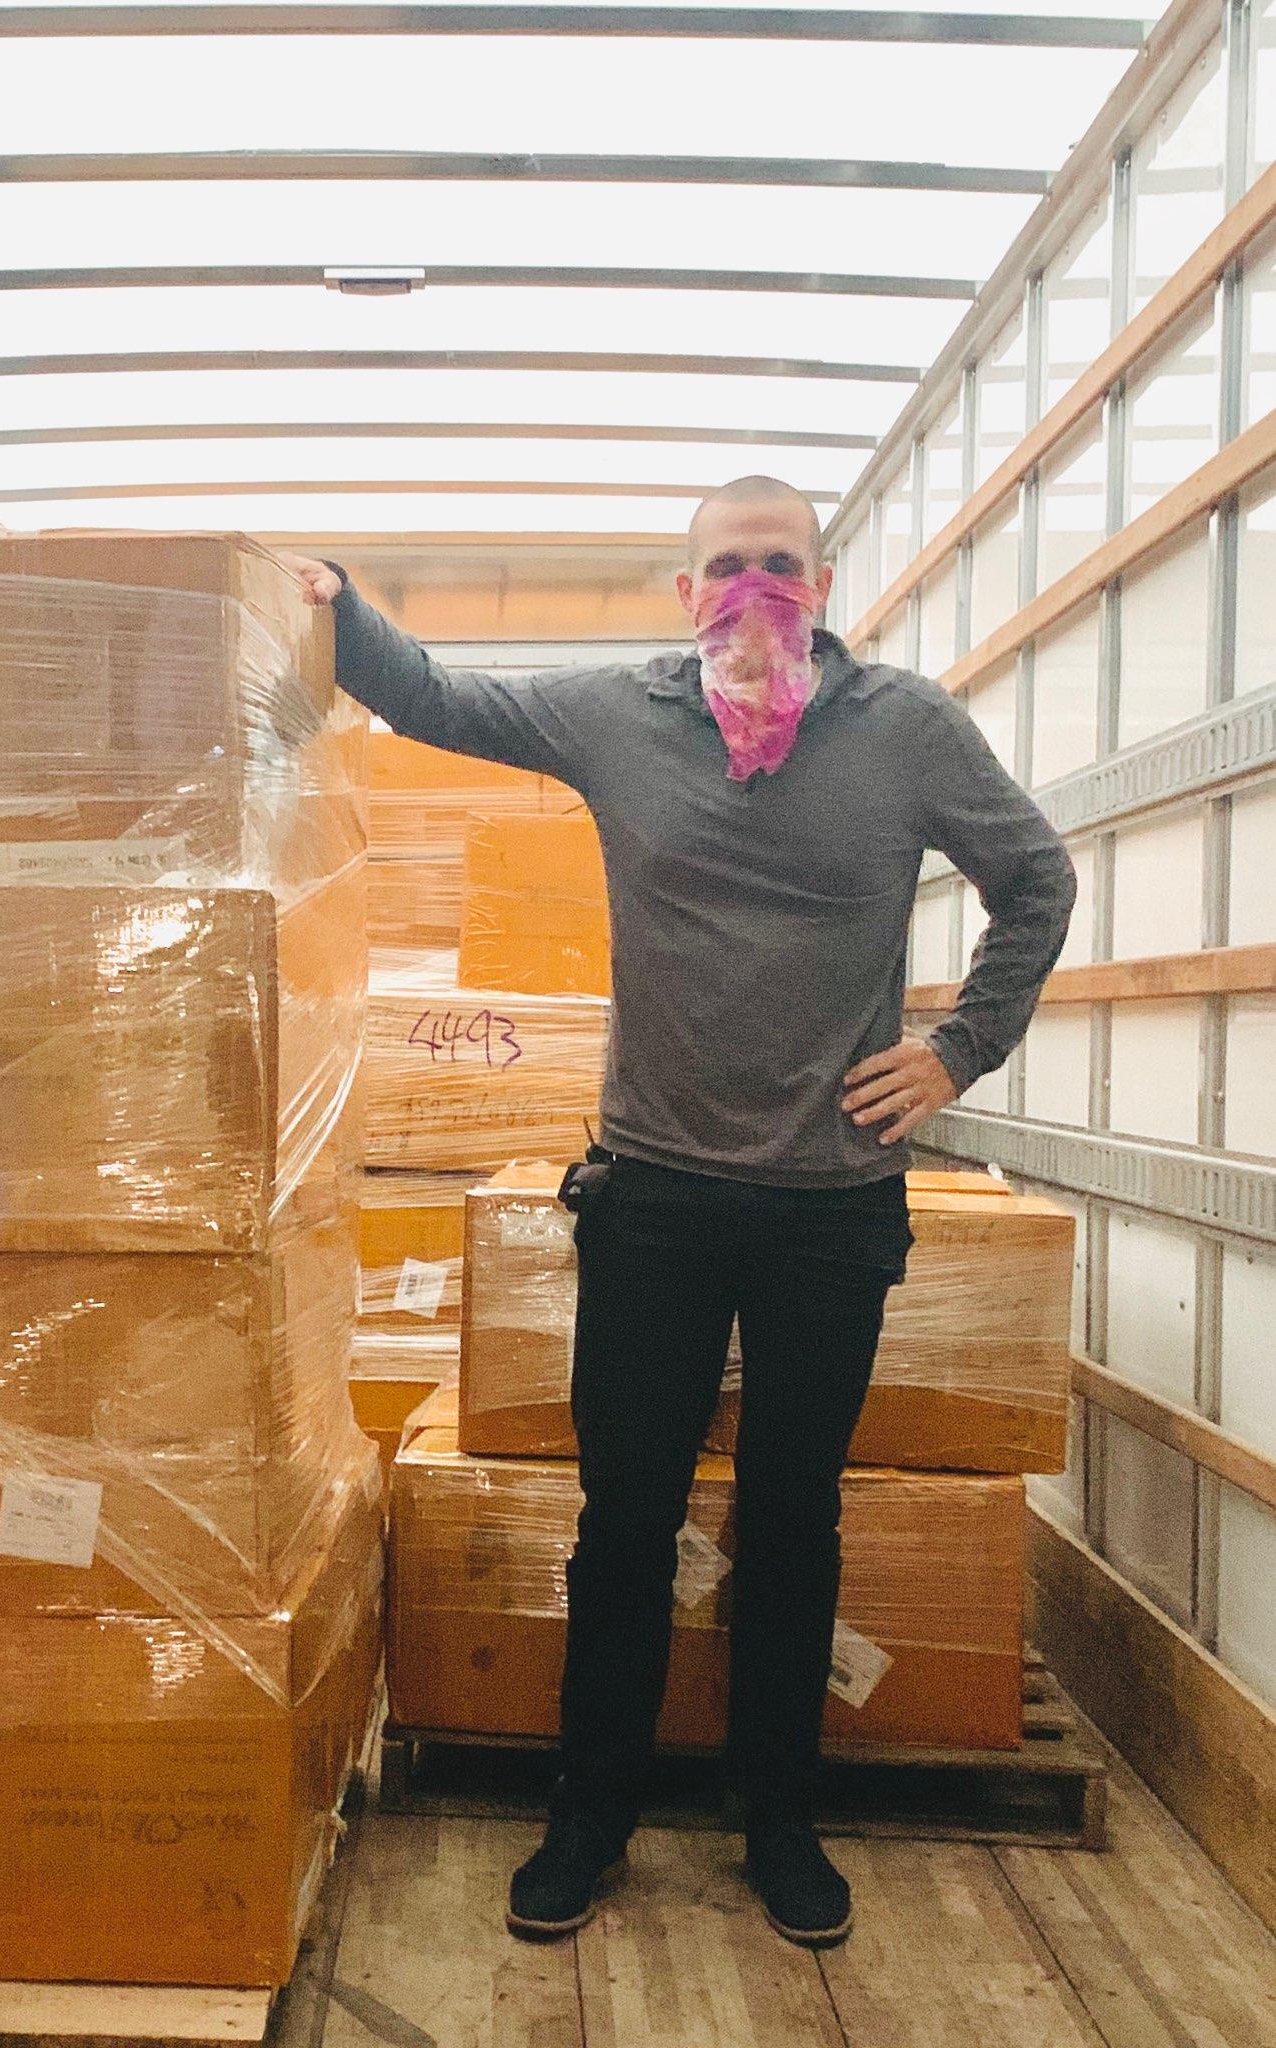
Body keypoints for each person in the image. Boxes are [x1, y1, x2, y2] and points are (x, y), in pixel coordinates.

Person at [276, 478, 1075, 1950]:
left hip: (832, 1207)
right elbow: (442, 698)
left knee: (790, 1520)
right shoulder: (619, 715)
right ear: (682, 587)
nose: (749, 590)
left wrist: (960, 1048)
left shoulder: (903, 729)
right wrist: (340, 602)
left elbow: (1037, 877)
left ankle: (777, 1818)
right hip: (652, 1196)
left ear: (824, 583)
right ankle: (590, 1813)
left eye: (779, 565)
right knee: (627, 1517)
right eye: (724, 567)